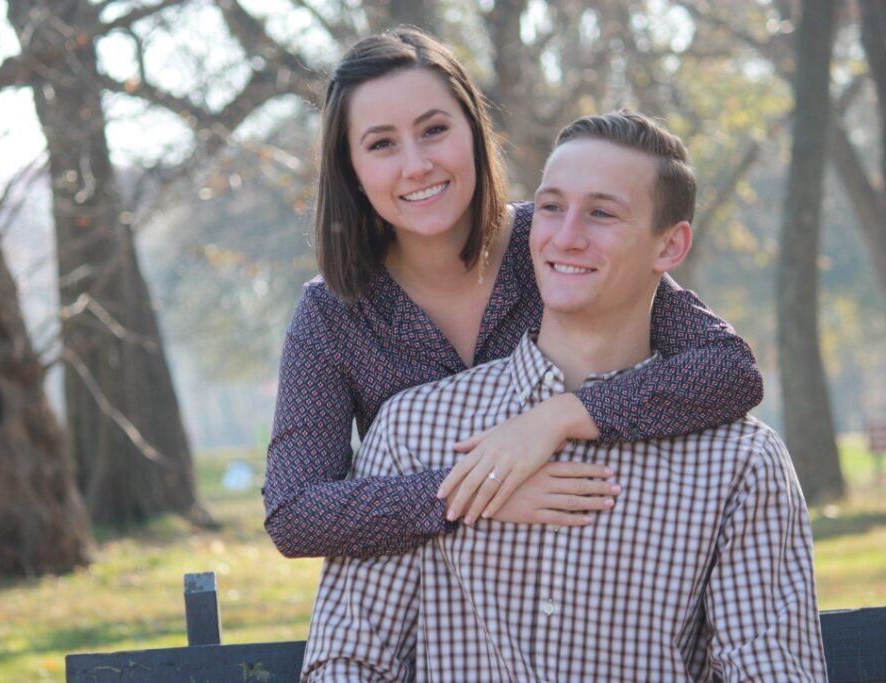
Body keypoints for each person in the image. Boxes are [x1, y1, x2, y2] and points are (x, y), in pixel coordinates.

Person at [301, 110, 826, 682]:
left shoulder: (739, 462)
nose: (566, 235)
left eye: (601, 213)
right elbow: (350, 663)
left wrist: (563, 418)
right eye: (551, 207)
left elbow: (769, 671)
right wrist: (458, 497)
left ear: (670, 247)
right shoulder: (415, 430)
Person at [263, 27, 763, 560]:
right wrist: (475, 492)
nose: (416, 164)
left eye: (434, 130)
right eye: (382, 144)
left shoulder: (557, 245)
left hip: (597, 561)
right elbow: (296, 513)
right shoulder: (334, 312)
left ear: (476, 134)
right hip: (433, 606)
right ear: (353, 171)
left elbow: (728, 370)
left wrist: (561, 416)